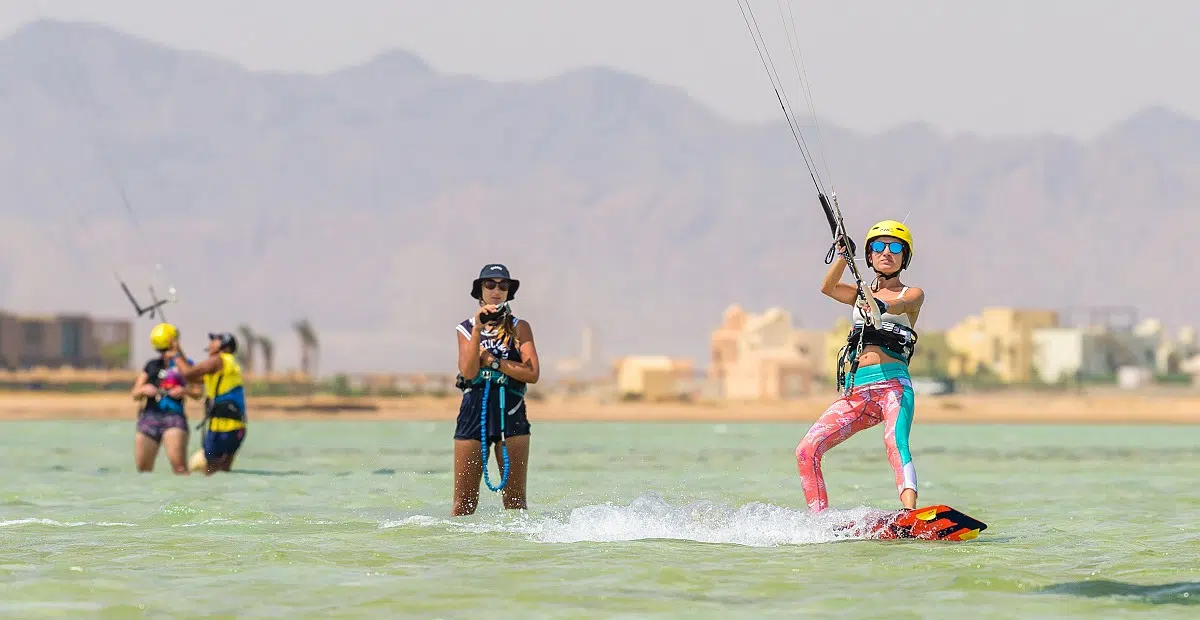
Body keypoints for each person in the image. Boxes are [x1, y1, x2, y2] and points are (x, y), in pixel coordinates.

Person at [795, 220, 924, 512]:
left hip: (893, 388)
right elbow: (827, 287)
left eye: (895, 248)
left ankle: (910, 512)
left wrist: (880, 306)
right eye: (878, 247)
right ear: (869, 256)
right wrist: (844, 256)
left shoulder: (911, 295)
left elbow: (901, 306)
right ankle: (819, 521)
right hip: (857, 393)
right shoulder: (858, 295)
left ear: (905, 257)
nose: (886, 252)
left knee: (895, 442)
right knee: (806, 450)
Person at [451, 264, 541, 516]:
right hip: (473, 412)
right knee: (463, 504)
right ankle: (457, 543)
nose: (496, 290)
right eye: (490, 284)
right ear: (480, 290)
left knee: (515, 502)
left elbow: (532, 373)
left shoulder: (519, 327)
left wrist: (493, 362)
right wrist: (478, 330)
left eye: (503, 285)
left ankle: (516, 542)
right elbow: (469, 372)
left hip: (510, 412)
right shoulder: (466, 328)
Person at [172, 332, 247, 475]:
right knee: (222, 472)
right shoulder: (225, 365)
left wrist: (175, 354)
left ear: (225, 347)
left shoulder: (218, 360)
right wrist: (179, 350)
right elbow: (192, 376)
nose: (211, 343)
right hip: (234, 427)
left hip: (225, 428)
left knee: (211, 471)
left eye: (216, 340)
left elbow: (188, 373)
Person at [130, 322, 202, 474]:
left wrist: (184, 391)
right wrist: (144, 389)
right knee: (143, 469)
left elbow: (198, 392)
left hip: (174, 417)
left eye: (167, 349)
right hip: (149, 417)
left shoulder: (186, 366)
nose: (164, 353)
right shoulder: (151, 365)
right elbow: (135, 394)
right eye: (161, 350)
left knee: (179, 468)